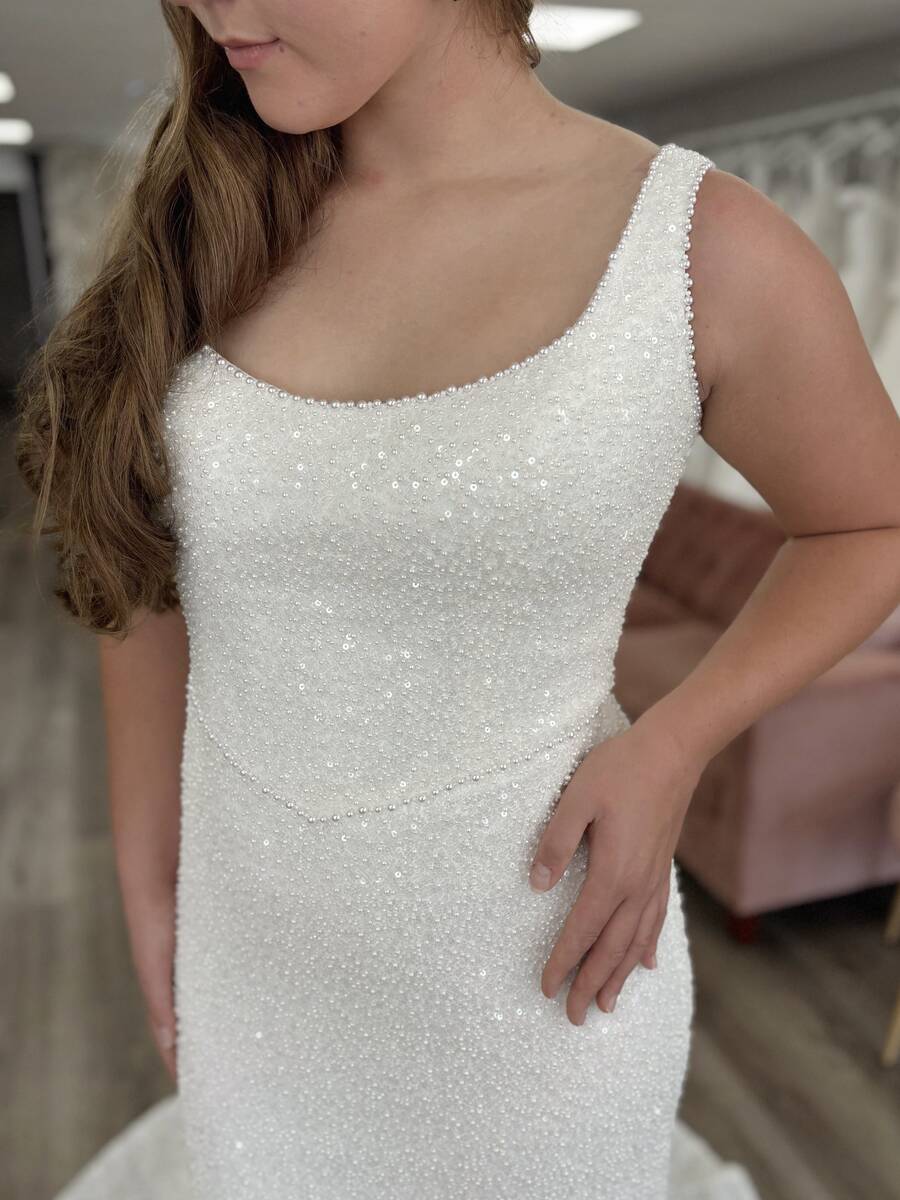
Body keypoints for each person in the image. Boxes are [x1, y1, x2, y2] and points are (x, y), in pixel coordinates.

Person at [15, 2, 900, 1198]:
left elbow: (870, 523)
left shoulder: (700, 248)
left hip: (534, 985)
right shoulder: (200, 224)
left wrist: (678, 741)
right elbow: (140, 564)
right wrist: (150, 884)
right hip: (254, 967)